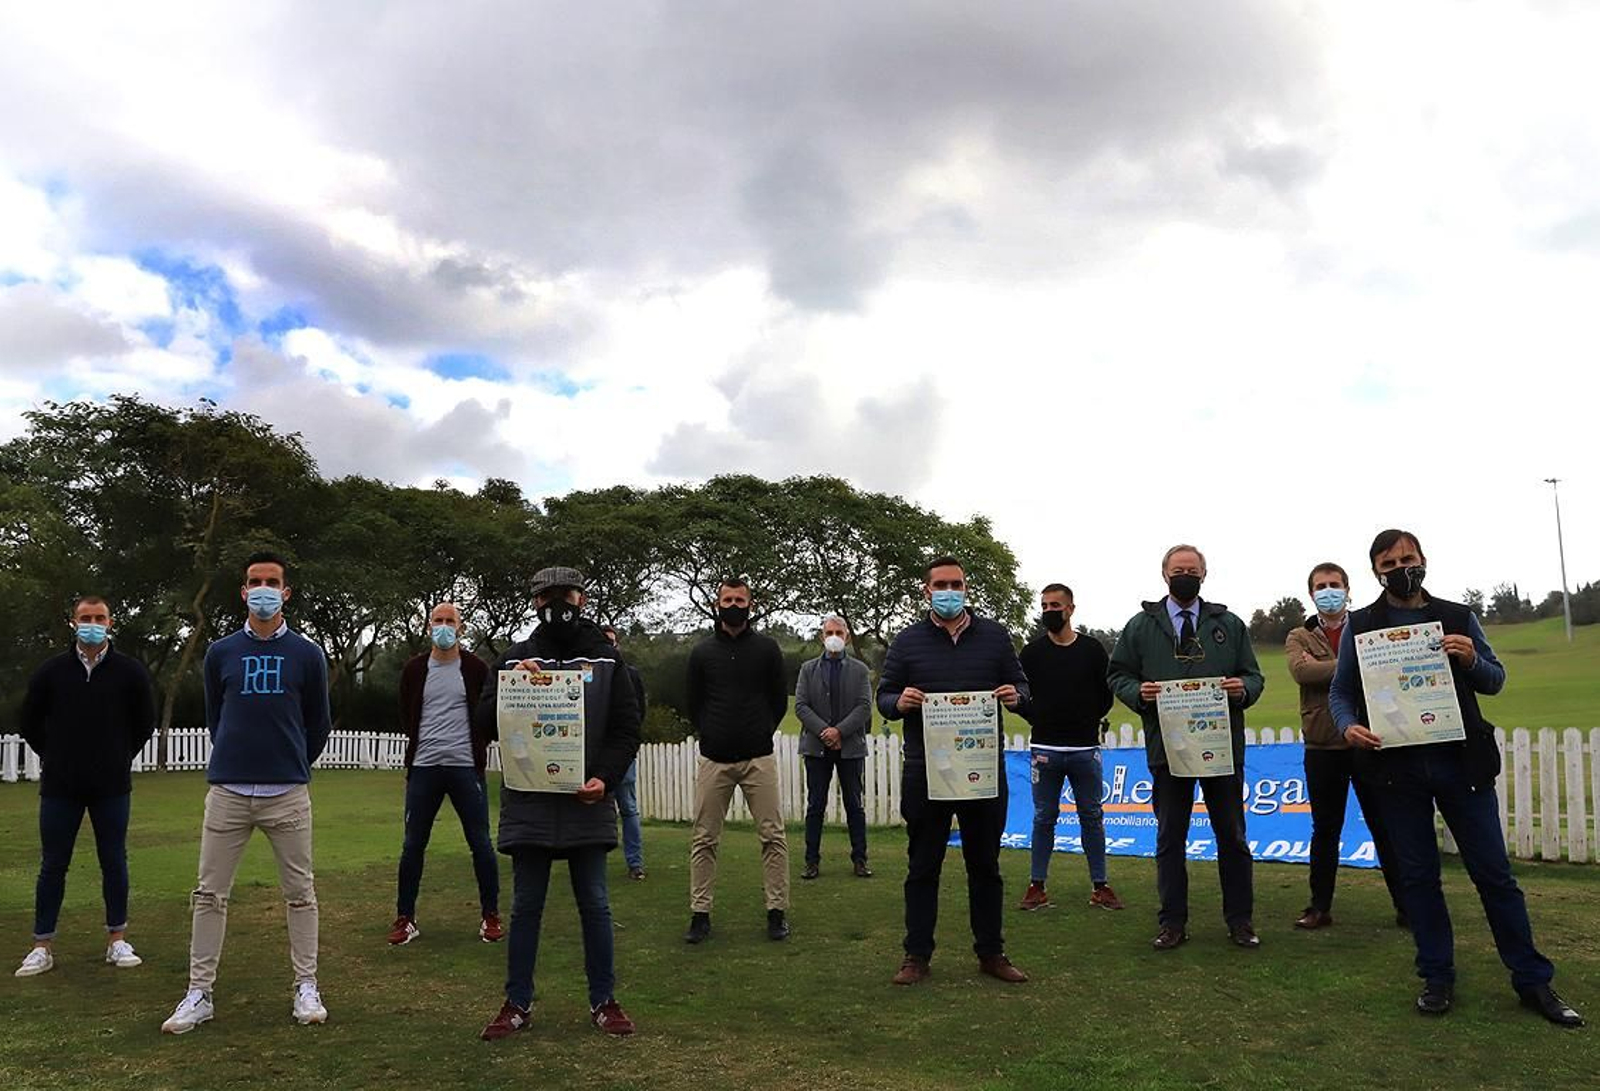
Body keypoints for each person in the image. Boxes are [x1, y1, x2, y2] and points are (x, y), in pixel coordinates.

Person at [1330, 529, 1582, 1027]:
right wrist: (1348, 726)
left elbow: (1496, 679)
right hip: (1397, 769)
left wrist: (1470, 659)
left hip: (1461, 765)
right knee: (1420, 878)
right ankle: (1437, 977)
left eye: (1408, 558)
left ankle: (1532, 980)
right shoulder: (1362, 627)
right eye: (1389, 562)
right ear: (1376, 571)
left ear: (1423, 559)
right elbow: (1341, 692)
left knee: (1495, 876)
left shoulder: (1457, 615)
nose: (1401, 567)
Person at [161, 552, 332, 1034]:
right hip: (229, 791)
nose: (263, 589)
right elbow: (219, 718)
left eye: (272, 582)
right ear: (243, 591)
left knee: (300, 894)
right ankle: (199, 993)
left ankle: (306, 986)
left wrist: (291, 760)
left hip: (287, 793)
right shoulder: (220, 653)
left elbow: (317, 722)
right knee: (209, 894)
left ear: (286, 592)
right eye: (255, 581)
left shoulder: (307, 654)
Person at [475, 567, 642, 1040]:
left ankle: (604, 1000)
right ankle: (516, 1002)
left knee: (595, 904)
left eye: (563, 594)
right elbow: (484, 722)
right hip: (530, 803)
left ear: (581, 598)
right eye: (545, 596)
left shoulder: (608, 661)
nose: (555, 604)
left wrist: (604, 779)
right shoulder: (513, 660)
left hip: (586, 803)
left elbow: (626, 729)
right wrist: (512, 687)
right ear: (534, 603)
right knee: (526, 907)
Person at [878, 556, 1032, 986]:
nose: (950, 591)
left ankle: (991, 953)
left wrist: (1015, 695)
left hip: (981, 770)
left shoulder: (995, 638)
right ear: (926, 590)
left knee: (985, 866)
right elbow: (884, 697)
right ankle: (916, 956)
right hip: (925, 772)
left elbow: (1023, 688)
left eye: (957, 583)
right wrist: (898, 702)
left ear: (967, 588)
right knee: (922, 866)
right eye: (941, 584)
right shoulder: (907, 642)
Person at [1107, 544, 1265, 952]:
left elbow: (1254, 676)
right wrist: (1137, 692)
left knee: (1231, 837)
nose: (1185, 575)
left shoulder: (1228, 624)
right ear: (1164, 575)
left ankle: (1240, 921)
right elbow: (1118, 674)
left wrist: (1242, 689)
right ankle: (1172, 922)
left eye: (1192, 569)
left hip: (1221, 748)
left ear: (1204, 574)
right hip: (1168, 749)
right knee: (1169, 837)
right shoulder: (1140, 626)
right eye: (1179, 569)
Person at [15, 595, 156, 978]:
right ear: (73, 623)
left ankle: (117, 940)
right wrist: (55, 754)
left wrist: (118, 755)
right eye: (85, 617)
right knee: (53, 865)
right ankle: (42, 945)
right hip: (61, 786)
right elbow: (28, 721)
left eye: (100, 617)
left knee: (114, 861)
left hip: (111, 785)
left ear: (111, 623)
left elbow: (144, 723)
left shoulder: (130, 672)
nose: (92, 623)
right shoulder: (52, 671)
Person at [1286, 562, 1404, 930]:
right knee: (1325, 830)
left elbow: (1384, 667)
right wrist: (1355, 663)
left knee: (1383, 826)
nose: (1328, 591)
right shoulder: (1297, 636)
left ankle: (1407, 905)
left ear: (1348, 589)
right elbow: (1301, 672)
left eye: (1334, 584)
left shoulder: (1367, 625)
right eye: (1321, 585)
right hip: (1322, 745)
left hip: (1369, 740)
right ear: (1311, 594)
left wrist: (1327, 666)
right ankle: (1319, 907)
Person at [683, 578, 791, 944]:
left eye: (739, 599)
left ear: (750, 604)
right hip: (714, 759)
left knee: (773, 837)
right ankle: (700, 914)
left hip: (758, 757)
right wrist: (711, 732)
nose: (733, 604)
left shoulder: (767, 649)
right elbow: (694, 703)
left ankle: (777, 912)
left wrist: (760, 730)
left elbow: (778, 701)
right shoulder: (701, 653)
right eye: (727, 599)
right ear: (717, 605)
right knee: (704, 838)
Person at [387, 602, 501, 947]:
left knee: (480, 843)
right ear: (428, 626)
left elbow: (489, 711)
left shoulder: (478, 668)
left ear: (461, 628)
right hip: (424, 767)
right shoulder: (414, 669)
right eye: (438, 620)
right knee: (412, 845)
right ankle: (406, 918)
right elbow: (408, 714)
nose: (444, 626)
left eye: (450, 621)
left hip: (466, 767)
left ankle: (491, 915)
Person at [1017, 583, 1120, 912]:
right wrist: (1036, 715)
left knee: (1092, 816)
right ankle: (1037, 887)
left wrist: (1085, 718)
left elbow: (1106, 696)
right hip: (1043, 749)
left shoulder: (1092, 650)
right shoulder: (1031, 654)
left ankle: (1100, 887)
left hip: (1084, 750)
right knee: (1044, 818)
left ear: (1071, 609)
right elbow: (1020, 696)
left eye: (1055, 606)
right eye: (1044, 606)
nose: (1049, 611)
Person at [794, 615, 874, 880]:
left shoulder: (861, 670)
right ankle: (811, 861)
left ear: (847, 636)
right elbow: (801, 706)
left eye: (839, 632)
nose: (834, 637)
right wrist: (824, 732)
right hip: (817, 748)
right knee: (815, 805)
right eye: (830, 632)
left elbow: (864, 706)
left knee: (854, 805)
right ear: (822, 636)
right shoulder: (807, 669)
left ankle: (860, 859)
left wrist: (839, 731)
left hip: (850, 747)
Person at [601, 624, 648, 881]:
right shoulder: (587, 673)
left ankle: (635, 863)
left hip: (622, 753)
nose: (610, 645)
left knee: (628, 808)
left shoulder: (630, 674)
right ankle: (592, 861)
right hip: (593, 753)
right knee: (595, 809)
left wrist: (627, 744)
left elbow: (639, 712)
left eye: (612, 641)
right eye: (605, 641)